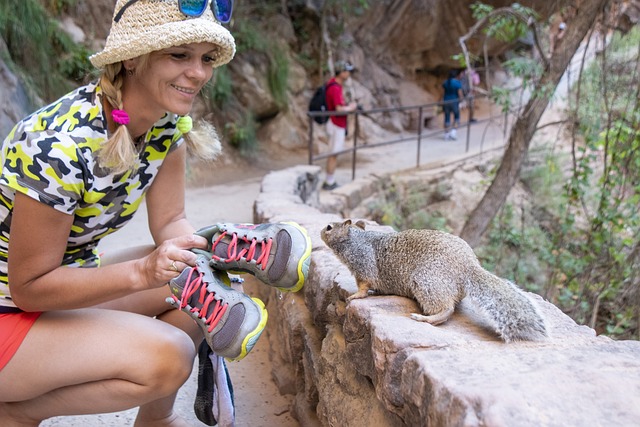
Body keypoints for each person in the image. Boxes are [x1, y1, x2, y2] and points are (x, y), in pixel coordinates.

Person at [0, 1, 311, 426]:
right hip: (11, 311)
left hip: (59, 292)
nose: (198, 73)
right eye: (179, 55)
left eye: (205, 59)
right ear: (133, 57)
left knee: (200, 277)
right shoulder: (57, 145)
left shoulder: (165, 127)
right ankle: (16, 413)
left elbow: (170, 224)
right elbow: (29, 288)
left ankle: (155, 420)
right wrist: (143, 272)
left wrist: (207, 255)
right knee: (170, 355)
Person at [322, 60, 358, 191]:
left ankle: (329, 179)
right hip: (336, 123)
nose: (349, 74)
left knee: (334, 152)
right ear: (341, 72)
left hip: (337, 123)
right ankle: (329, 181)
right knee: (333, 153)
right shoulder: (335, 88)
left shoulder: (334, 85)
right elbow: (338, 109)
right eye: (347, 71)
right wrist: (351, 107)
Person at [441, 69, 464, 141]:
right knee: (457, 117)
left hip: (446, 101)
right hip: (454, 101)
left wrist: (440, 101)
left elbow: (442, 93)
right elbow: (460, 94)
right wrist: (462, 101)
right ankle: (453, 133)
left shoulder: (445, 82)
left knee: (447, 117)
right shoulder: (457, 83)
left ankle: (446, 134)